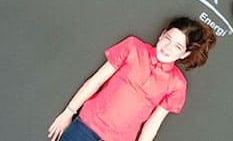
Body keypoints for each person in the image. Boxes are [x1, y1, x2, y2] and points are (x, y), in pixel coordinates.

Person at [45, 17, 217, 141]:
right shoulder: (133, 47)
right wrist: (68, 112)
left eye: (177, 46)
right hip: (85, 127)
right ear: (162, 34)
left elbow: (152, 124)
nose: (168, 48)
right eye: (168, 39)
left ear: (185, 54)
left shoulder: (177, 84)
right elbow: (96, 80)